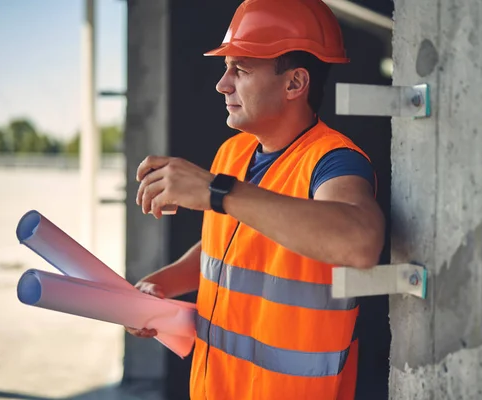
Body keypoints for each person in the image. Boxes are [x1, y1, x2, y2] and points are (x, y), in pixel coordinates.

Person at [128, 0, 385, 398]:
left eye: (241, 71)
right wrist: (157, 287)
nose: (223, 84)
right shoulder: (233, 154)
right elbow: (229, 250)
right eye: (226, 68)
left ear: (295, 84)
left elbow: (359, 241)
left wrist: (217, 192)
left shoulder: (334, 161)